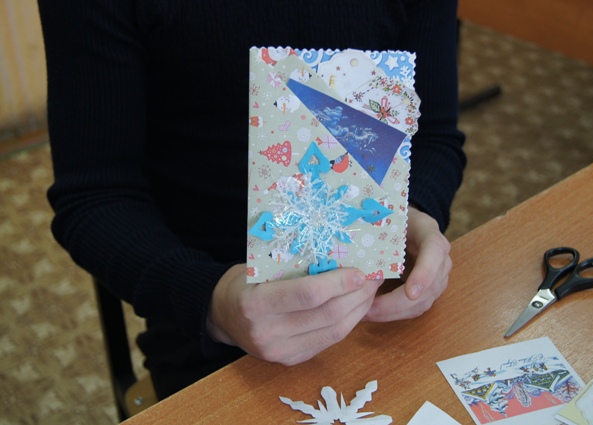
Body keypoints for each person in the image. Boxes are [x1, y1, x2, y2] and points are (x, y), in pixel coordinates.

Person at [37, 0, 466, 400]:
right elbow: (94, 195)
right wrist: (212, 300)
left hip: (383, 296)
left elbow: (433, 134)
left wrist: (414, 211)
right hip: (210, 325)